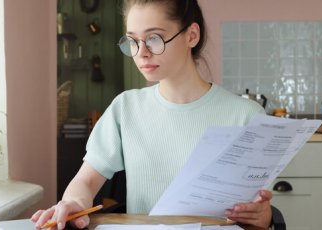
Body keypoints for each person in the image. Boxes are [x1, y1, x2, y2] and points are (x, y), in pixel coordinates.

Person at [32, 0, 273, 229]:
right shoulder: (125, 108)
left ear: (192, 35)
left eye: (154, 38)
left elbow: (258, 213)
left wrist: (263, 216)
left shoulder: (247, 116)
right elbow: (85, 181)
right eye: (133, 41)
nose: (142, 52)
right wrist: (75, 202)